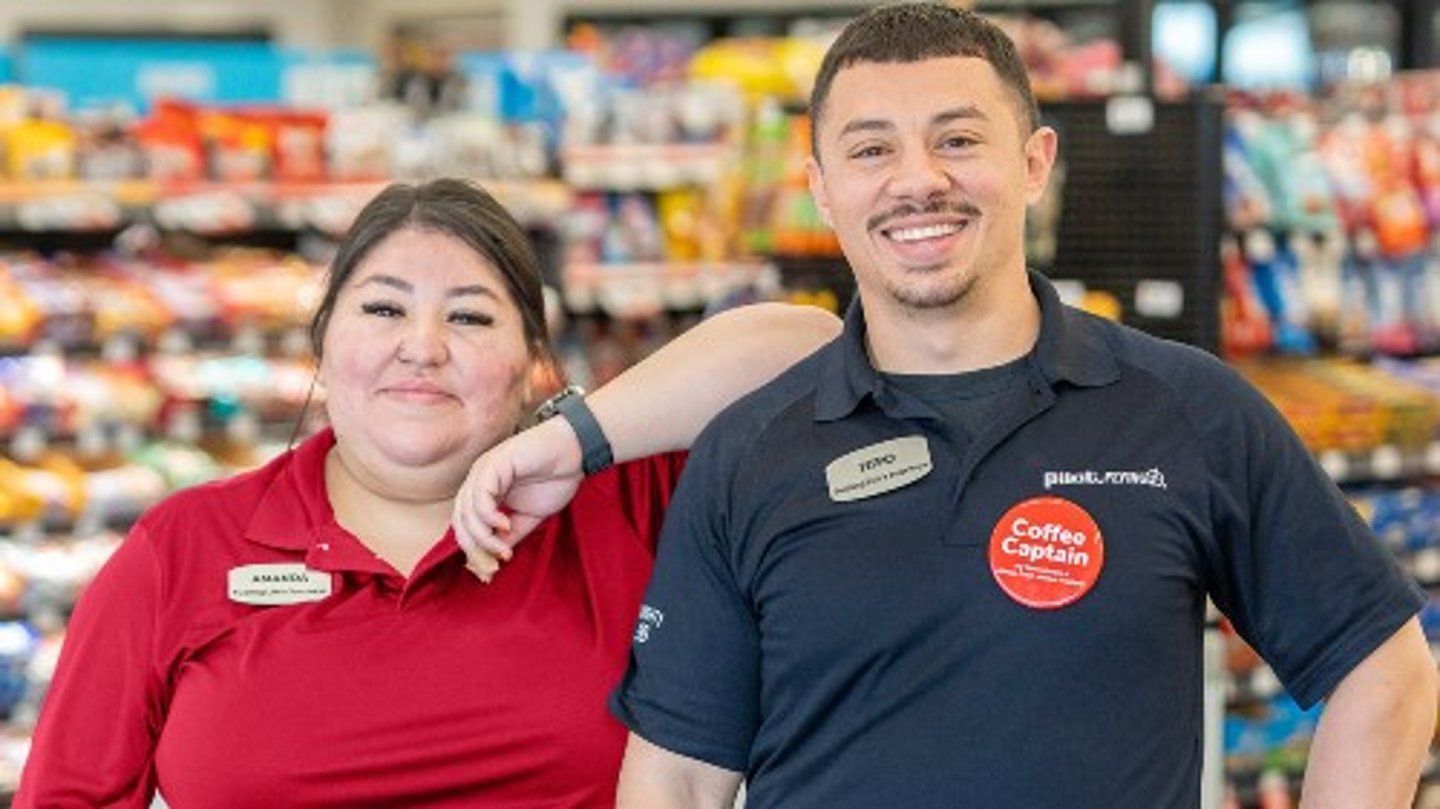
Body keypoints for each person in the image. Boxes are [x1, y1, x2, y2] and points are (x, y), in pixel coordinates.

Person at [458, 5, 1438, 807]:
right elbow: (674, 774)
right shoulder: (750, 449)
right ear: (824, 190)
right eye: (872, 149)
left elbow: (1384, 667)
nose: (918, 180)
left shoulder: (1183, 409)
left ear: (1036, 163)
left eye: (958, 139)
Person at [15, 178, 840, 807]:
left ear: (532, 364)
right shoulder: (185, 546)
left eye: (472, 318)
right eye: (383, 308)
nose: (422, 347)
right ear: (323, 342)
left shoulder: (624, 505)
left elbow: (814, 346)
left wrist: (574, 441)